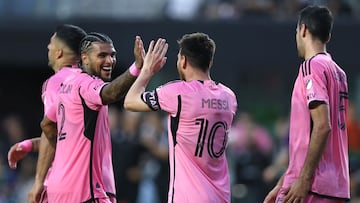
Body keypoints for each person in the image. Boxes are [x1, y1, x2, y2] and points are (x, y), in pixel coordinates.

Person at [35, 33, 168, 203]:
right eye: (102, 55)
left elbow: (47, 125)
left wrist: (31, 146)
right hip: (86, 193)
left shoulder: (66, 85)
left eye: (112, 55)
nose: (110, 61)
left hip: (58, 190)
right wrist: (138, 67)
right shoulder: (87, 84)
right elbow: (111, 93)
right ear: (85, 58)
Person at [124, 32, 237, 203]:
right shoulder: (228, 97)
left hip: (188, 197)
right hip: (221, 197)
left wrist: (147, 70)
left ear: (183, 61)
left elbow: (130, 102)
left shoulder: (178, 93)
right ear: (210, 62)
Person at [264, 5, 349, 203]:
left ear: (302, 30)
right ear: (327, 37)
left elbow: (322, 125)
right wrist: (282, 181)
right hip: (335, 187)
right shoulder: (339, 73)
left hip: (311, 187)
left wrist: (303, 179)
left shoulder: (312, 66)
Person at [7, 24, 87, 203]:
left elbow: (51, 133)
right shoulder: (90, 83)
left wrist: (38, 182)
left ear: (59, 52)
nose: (47, 47)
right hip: (96, 187)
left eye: (51, 43)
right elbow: (67, 138)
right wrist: (28, 145)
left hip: (66, 186)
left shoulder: (56, 83)